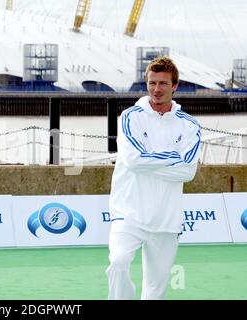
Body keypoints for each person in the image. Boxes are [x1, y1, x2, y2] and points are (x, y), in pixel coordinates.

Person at [106, 56, 201, 300]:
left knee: (156, 289)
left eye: (163, 84)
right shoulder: (130, 116)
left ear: (175, 86)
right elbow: (134, 161)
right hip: (129, 213)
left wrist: (151, 159)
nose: (156, 89)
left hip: (166, 218)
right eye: (152, 83)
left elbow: (188, 171)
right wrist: (173, 158)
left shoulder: (189, 125)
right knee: (118, 263)